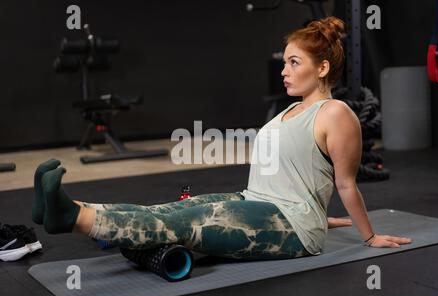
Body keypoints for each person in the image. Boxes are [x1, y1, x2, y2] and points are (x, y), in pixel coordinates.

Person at [31, 17, 411, 260]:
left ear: (323, 68)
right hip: (259, 202)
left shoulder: (336, 114)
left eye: (295, 62)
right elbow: (301, 177)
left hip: (293, 229)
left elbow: (345, 183)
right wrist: (323, 215)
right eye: (285, 62)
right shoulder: (285, 113)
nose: (284, 70)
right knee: (173, 209)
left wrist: (369, 235)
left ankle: (72, 218)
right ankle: (66, 204)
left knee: (188, 223)